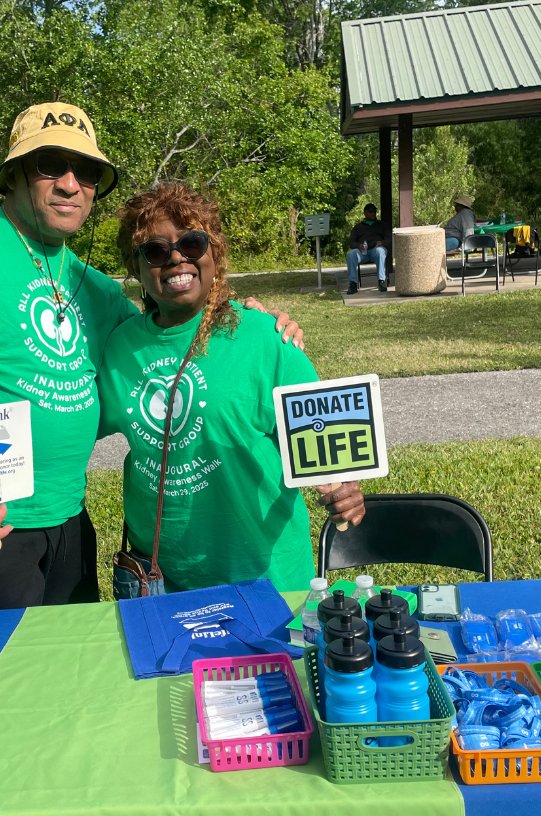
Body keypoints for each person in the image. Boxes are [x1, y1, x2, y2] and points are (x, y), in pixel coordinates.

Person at [0, 100, 310, 613]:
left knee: (72, 669)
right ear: (14, 175)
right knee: (6, 675)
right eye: (51, 165)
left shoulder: (94, 289)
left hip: (69, 517)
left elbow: (172, 327)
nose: (71, 184)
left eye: (87, 171)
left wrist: (246, 316)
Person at [96, 183, 365, 593]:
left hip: (266, 578)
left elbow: (327, 446)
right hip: (164, 579)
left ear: (214, 252)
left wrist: (346, 488)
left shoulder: (267, 338)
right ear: (136, 268)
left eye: (191, 243)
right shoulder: (120, 348)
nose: (176, 259)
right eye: (156, 250)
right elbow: (71, 426)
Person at [345, 203, 391, 293]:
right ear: (365, 213)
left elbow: (389, 238)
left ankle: (381, 281)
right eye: (370, 211)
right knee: (351, 254)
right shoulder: (358, 227)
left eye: (374, 211)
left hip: (376, 251)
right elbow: (351, 243)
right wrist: (359, 246)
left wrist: (382, 242)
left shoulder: (381, 225)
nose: (373, 213)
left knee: (380, 251)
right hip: (363, 252)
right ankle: (353, 284)